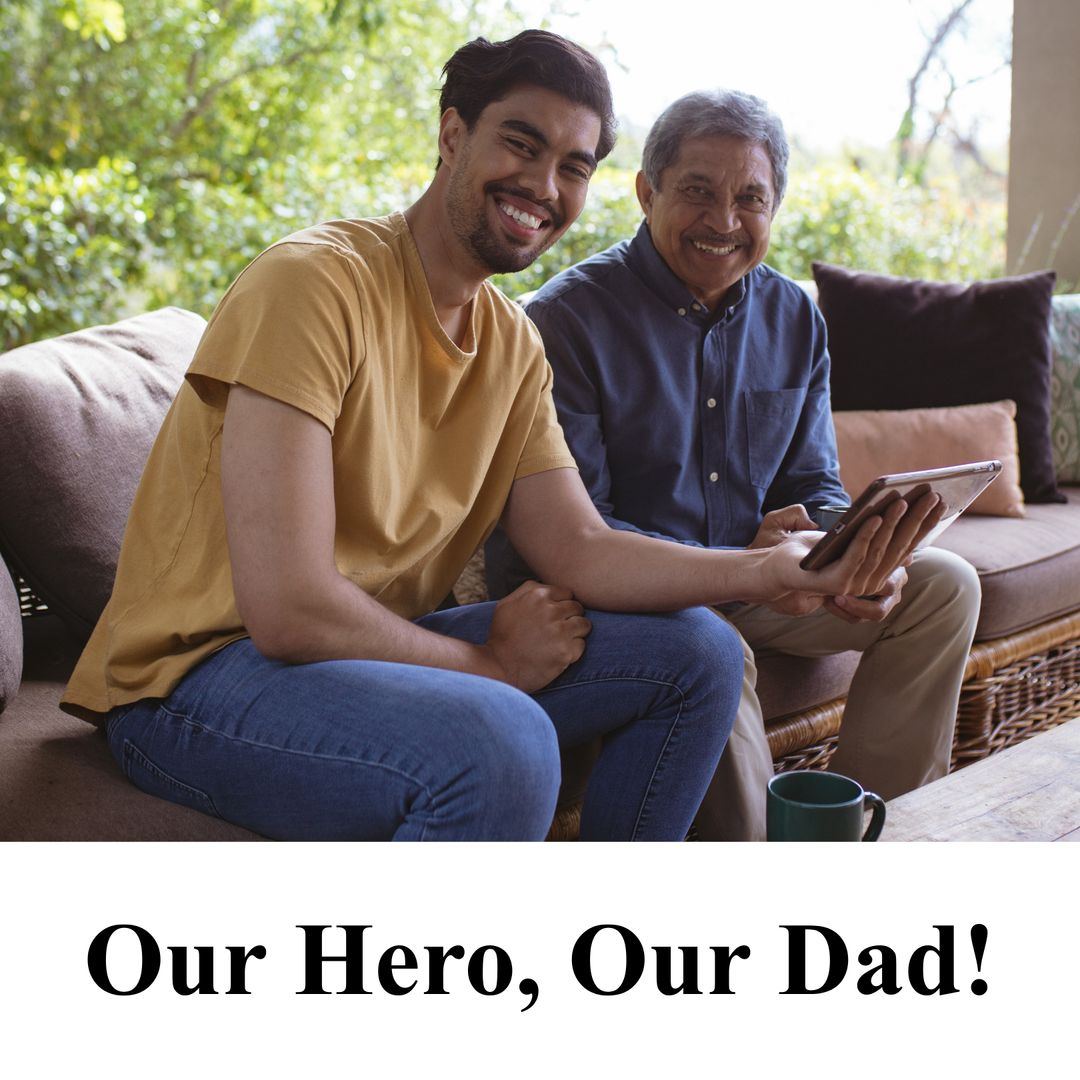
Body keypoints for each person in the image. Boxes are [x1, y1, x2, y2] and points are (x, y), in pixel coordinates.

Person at [63, 40, 929, 842]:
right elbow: (288, 610)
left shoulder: (510, 343)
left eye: (573, 166)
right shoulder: (314, 286)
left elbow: (581, 548)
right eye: (521, 143)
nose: (543, 184)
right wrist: (485, 662)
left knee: (701, 652)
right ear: (453, 135)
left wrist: (769, 572)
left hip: (368, 658)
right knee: (505, 738)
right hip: (197, 682)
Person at [487, 88, 980, 840]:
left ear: (775, 208)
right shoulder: (565, 323)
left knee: (943, 586)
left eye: (750, 198)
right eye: (697, 192)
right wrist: (743, 566)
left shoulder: (794, 317)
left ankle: (871, 835)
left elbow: (811, 483)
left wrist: (849, 549)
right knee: (714, 648)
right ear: (647, 192)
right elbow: (575, 537)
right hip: (627, 602)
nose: (724, 221)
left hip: (753, 578)